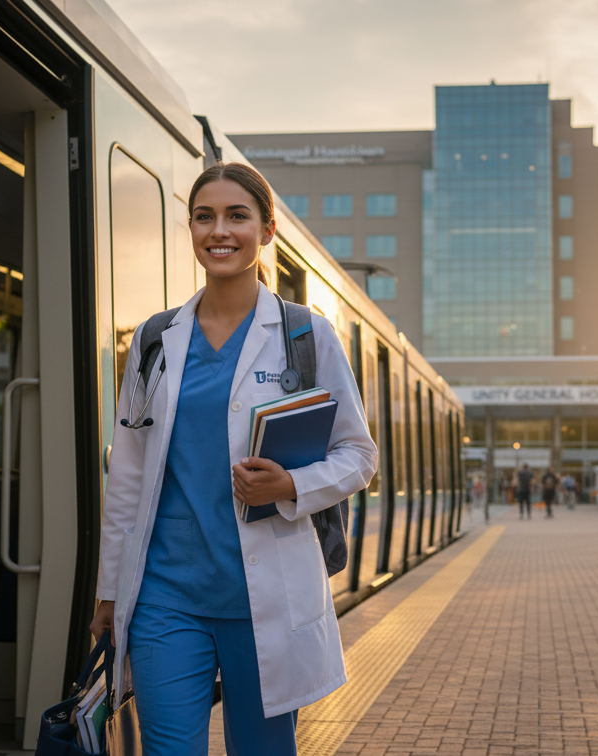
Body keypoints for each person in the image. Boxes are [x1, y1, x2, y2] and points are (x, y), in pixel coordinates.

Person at [91, 162, 378, 755]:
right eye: (204, 217)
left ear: (266, 230)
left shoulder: (306, 336)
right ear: (191, 229)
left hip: (266, 596)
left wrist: (291, 485)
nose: (219, 231)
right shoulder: (154, 340)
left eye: (236, 216)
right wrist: (110, 591)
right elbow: (128, 477)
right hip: (165, 596)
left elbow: (359, 455)